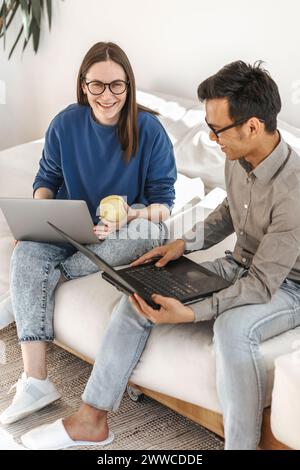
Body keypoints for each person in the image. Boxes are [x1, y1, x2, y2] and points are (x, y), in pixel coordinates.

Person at [17, 60, 300, 451]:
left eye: (217, 130)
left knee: (232, 331)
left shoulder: (294, 190)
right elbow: (231, 212)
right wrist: (184, 243)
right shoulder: (239, 156)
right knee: (138, 296)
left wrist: (191, 312)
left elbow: (263, 283)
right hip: (239, 265)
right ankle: (91, 420)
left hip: (287, 286)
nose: (213, 139)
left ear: (253, 126)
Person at [0, 42, 176, 439]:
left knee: (151, 231)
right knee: (27, 248)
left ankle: (33, 288)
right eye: (97, 86)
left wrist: (130, 214)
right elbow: (46, 181)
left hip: (126, 227)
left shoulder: (150, 130)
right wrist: (40, 214)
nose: (107, 96)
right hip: (72, 227)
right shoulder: (66, 124)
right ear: (83, 86)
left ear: (129, 86)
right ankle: (35, 382)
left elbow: (163, 205)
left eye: (117, 86)